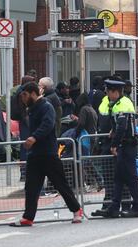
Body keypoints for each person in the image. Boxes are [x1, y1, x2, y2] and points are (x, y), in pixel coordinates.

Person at [10, 82, 83, 226]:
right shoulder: (31, 108)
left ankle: (76, 210)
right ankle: (28, 217)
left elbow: (48, 124)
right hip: (35, 154)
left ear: (32, 93)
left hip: (48, 154)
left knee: (60, 184)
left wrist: (34, 137)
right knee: (31, 186)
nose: (23, 99)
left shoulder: (46, 106)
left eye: (24, 95)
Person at [91, 80, 138, 218]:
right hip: (114, 143)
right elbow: (114, 123)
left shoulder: (123, 103)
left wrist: (114, 144)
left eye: (108, 91)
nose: (106, 93)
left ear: (115, 91)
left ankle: (133, 206)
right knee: (116, 178)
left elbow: (122, 126)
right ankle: (112, 206)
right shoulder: (110, 102)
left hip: (125, 145)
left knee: (129, 177)